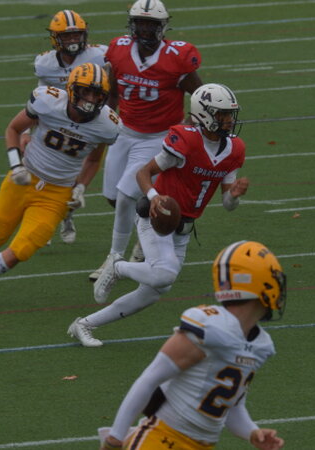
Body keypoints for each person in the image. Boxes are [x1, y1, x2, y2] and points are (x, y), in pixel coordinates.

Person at [69, 83, 249, 348]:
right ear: (204, 113)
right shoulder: (186, 139)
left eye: (230, 114)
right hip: (156, 216)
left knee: (154, 292)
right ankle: (117, 266)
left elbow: (227, 204)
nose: (229, 120)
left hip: (184, 227)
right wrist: (155, 198)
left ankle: (84, 324)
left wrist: (234, 194)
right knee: (164, 275)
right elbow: (143, 173)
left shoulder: (234, 148)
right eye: (222, 114)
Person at [0, 63, 119, 309]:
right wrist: (15, 165)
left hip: (57, 194)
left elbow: (93, 160)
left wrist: (81, 187)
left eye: (97, 94)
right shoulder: (48, 102)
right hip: (25, 178)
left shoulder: (107, 125)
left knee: (24, 248)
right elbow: (14, 128)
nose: (91, 99)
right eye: (86, 91)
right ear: (72, 89)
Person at [98, 240, 287, 450]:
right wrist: (116, 437)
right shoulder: (209, 326)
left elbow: (231, 406)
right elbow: (150, 379)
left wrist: (252, 432)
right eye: (275, 279)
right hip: (162, 439)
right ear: (258, 282)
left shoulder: (261, 344)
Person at [89, 0, 202, 281]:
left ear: (162, 26)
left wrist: (184, 130)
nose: (146, 29)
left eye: (152, 24)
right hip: (124, 131)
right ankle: (148, 229)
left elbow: (201, 97)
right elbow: (113, 91)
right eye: (141, 23)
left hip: (157, 137)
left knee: (127, 194)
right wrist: (106, 120)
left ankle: (114, 259)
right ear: (132, 24)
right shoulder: (119, 50)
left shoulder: (176, 57)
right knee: (113, 196)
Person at [32, 9, 108, 244]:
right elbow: (39, 93)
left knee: (74, 170)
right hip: (57, 118)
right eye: (67, 36)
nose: (73, 40)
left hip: (88, 118)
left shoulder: (99, 55)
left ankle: (66, 214)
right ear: (56, 38)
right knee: (43, 168)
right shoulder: (45, 64)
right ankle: (41, 217)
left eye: (77, 35)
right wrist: (28, 129)